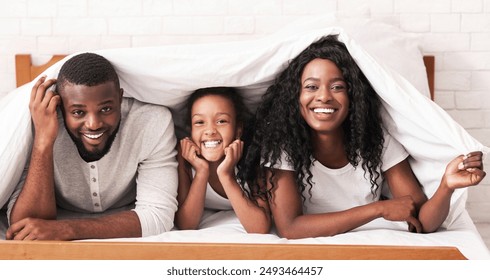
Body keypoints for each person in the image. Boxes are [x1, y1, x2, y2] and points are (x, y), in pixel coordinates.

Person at [241, 35, 486, 239]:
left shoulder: (377, 142)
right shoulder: (282, 147)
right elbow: (290, 228)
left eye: (337, 87)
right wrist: (378, 209)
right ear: (295, 96)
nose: (324, 97)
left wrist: (446, 187)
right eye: (311, 87)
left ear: (353, 98)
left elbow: (423, 221)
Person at [6, 53, 178, 240]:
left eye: (106, 109)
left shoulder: (151, 121)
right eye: (78, 112)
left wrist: (66, 229)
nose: (93, 124)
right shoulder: (39, 121)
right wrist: (43, 141)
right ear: (61, 107)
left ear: (120, 98)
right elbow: (24, 226)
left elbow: (158, 217)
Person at [175, 87, 271, 233]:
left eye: (221, 121)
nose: (210, 130)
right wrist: (201, 172)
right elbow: (186, 225)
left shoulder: (252, 155)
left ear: (237, 130)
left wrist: (226, 175)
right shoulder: (186, 155)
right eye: (200, 122)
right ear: (191, 131)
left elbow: (259, 228)